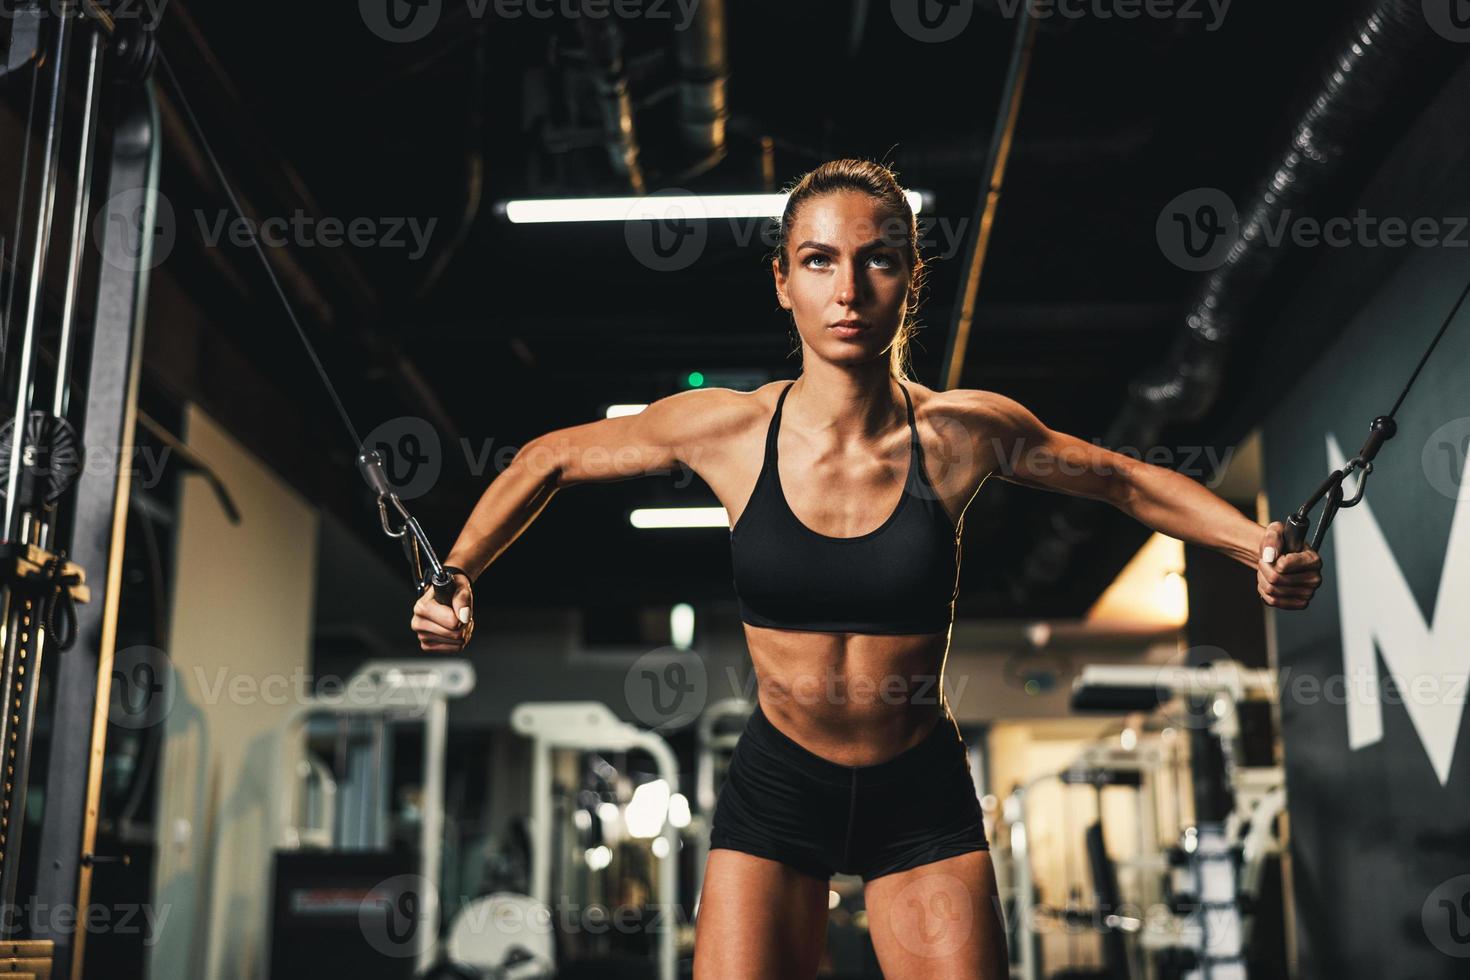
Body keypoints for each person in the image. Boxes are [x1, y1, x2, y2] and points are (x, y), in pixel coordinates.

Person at [410, 158, 1324, 979]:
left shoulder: (962, 435)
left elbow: (1123, 482)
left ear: (910, 279)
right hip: (778, 786)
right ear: (783, 282)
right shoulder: (728, 432)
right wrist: (455, 573)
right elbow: (546, 458)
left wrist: (1256, 544)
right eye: (818, 261)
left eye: (878, 259)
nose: (847, 288)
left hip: (915, 790)